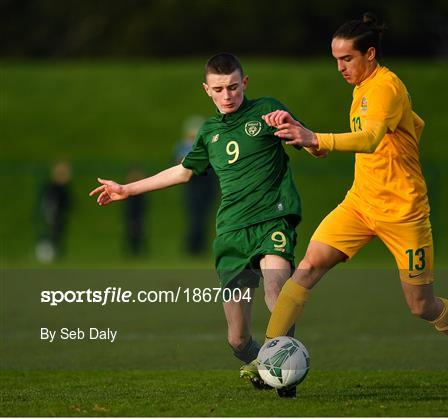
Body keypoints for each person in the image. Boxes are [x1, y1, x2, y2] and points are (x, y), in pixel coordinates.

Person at [258, 13, 448, 393]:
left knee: (421, 305)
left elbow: (368, 139)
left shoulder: (385, 87)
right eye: (335, 60)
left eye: (346, 59)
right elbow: (384, 138)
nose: (340, 68)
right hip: (360, 204)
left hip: (404, 213)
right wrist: (309, 142)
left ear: (370, 53)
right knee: (307, 268)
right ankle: (266, 358)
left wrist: (316, 136)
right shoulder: (363, 88)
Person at [89, 53, 300, 397]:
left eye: (233, 86)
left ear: (244, 83)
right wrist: (127, 189)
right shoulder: (209, 133)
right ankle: (263, 363)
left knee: (277, 291)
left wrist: (298, 132)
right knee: (237, 338)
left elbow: (307, 139)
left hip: (272, 218)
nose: (228, 94)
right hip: (232, 231)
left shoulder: (268, 110)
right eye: (219, 89)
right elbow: (184, 171)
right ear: (207, 90)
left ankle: (286, 368)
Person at [173, 115, 219, 256]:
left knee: (203, 217)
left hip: (207, 186)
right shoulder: (184, 146)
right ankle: (192, 246)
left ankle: (200, 245)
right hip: (192, 186)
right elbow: (180, 164)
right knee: (194, 217)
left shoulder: (209, 144)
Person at [35, 161, 72, 263]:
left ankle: (55, 253)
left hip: (60, 215)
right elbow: (49, 200)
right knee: (51, 233)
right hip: (53, 213)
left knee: (58, 234)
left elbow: (67, 200)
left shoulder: (64, 187)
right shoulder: (53, 187)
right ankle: (48, 253)